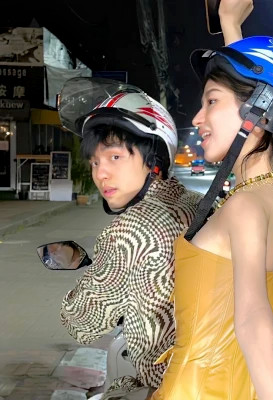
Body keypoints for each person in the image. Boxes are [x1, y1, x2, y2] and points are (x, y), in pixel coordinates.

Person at [151, 9, 273, 400]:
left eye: (211, 101)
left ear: (260, 112)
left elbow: (253, 324)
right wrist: (230, 24)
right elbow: (255, 96)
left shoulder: (246, 207)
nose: (198, 118)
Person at [58, 82, 202, 398]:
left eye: (115, 157)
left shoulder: (132, 230)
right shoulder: (196, 203)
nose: (101, 174)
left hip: (166, 388)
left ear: (154, 159)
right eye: (95, 162)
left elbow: (83, 324)